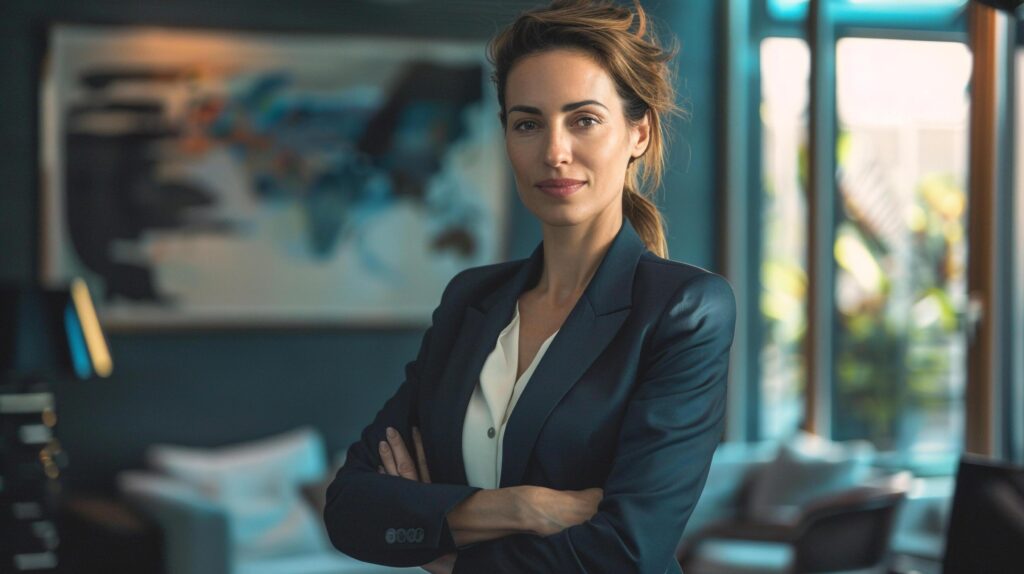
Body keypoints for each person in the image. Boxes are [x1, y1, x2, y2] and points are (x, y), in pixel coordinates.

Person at [323, 1, 736, 572]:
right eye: (528, 123)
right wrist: (520, 508)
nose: (554, 152)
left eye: (584, 119)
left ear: (638, 133)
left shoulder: (683, 309)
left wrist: (445, 554)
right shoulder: (470, 300)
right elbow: (349, 508)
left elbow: (627, 550)